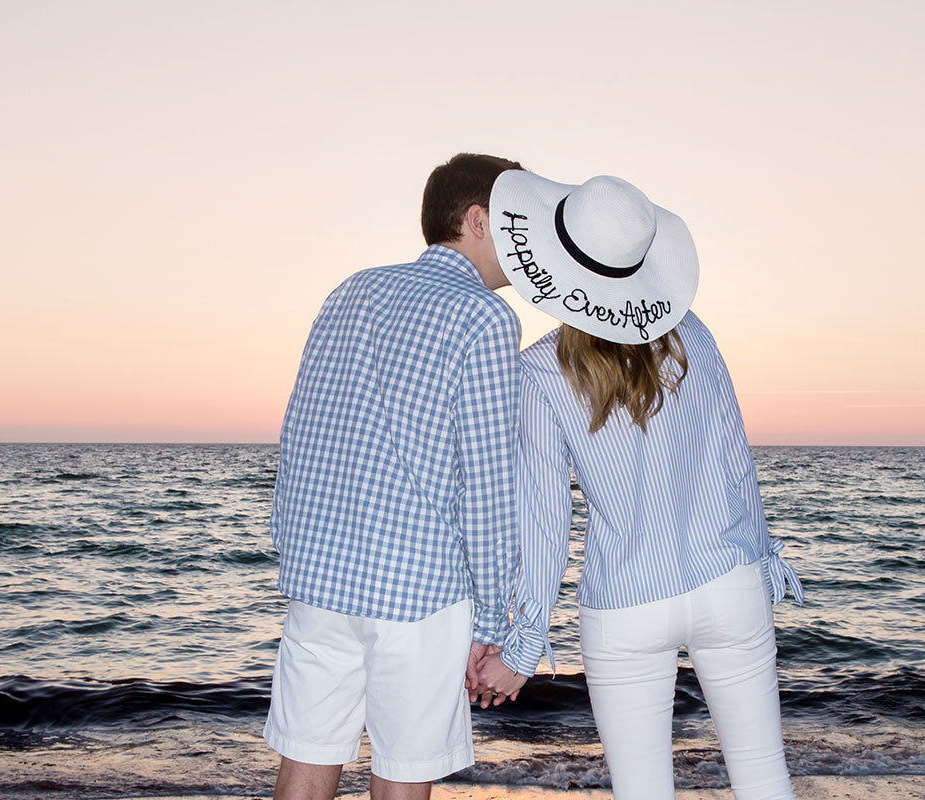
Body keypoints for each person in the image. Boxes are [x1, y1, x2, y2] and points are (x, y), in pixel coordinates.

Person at [473, 170, 805, 800]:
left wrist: (522, 647)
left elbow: (544, 523)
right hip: (728, 582)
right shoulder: (694, 335)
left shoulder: (538, 372)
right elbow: (738, 467)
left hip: (626, 602)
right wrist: (762, 569)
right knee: (765, 780)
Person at [264, 153, 525, 800]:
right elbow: (489, 488)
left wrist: (294, 549)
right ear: (478, 221)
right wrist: (493, 622)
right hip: (419, 589)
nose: (527, 245)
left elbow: (300, 434)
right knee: (404, 774)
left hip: (321, 576)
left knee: (305, 757)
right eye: (518, 224)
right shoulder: (485, 318)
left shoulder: (350, 290)